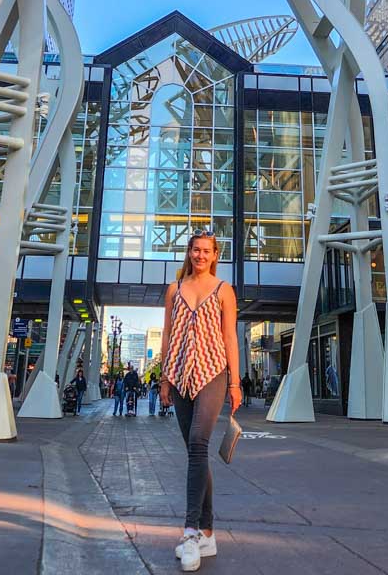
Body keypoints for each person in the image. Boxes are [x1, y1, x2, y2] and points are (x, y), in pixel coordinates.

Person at [160, 228, 242, 573]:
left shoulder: (224, 291)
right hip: (178, 375)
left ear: (214, 255)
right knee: (196, 452)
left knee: (197, 443)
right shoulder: (174, 289)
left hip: (213, 374)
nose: (200, 255)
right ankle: (208, 532)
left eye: (206, 251)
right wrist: (164, 378)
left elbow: (229, 337)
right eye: (196, 250)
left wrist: (235, 383)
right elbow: (166, 333)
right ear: (189, 253)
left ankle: (190, 532)